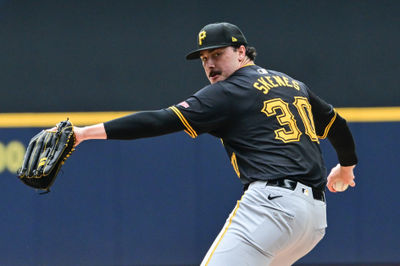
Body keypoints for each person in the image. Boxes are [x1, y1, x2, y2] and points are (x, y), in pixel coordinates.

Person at [72, 22, 357, 265]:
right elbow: (337, 125)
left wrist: (84, 133)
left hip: (272, 208)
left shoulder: (229, 90)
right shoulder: (292, 83)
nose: (210, 64)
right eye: (204, 58)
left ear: (241, 52)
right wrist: (346, 169)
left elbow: (160, 120)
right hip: (314, 220)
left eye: (218, 54)